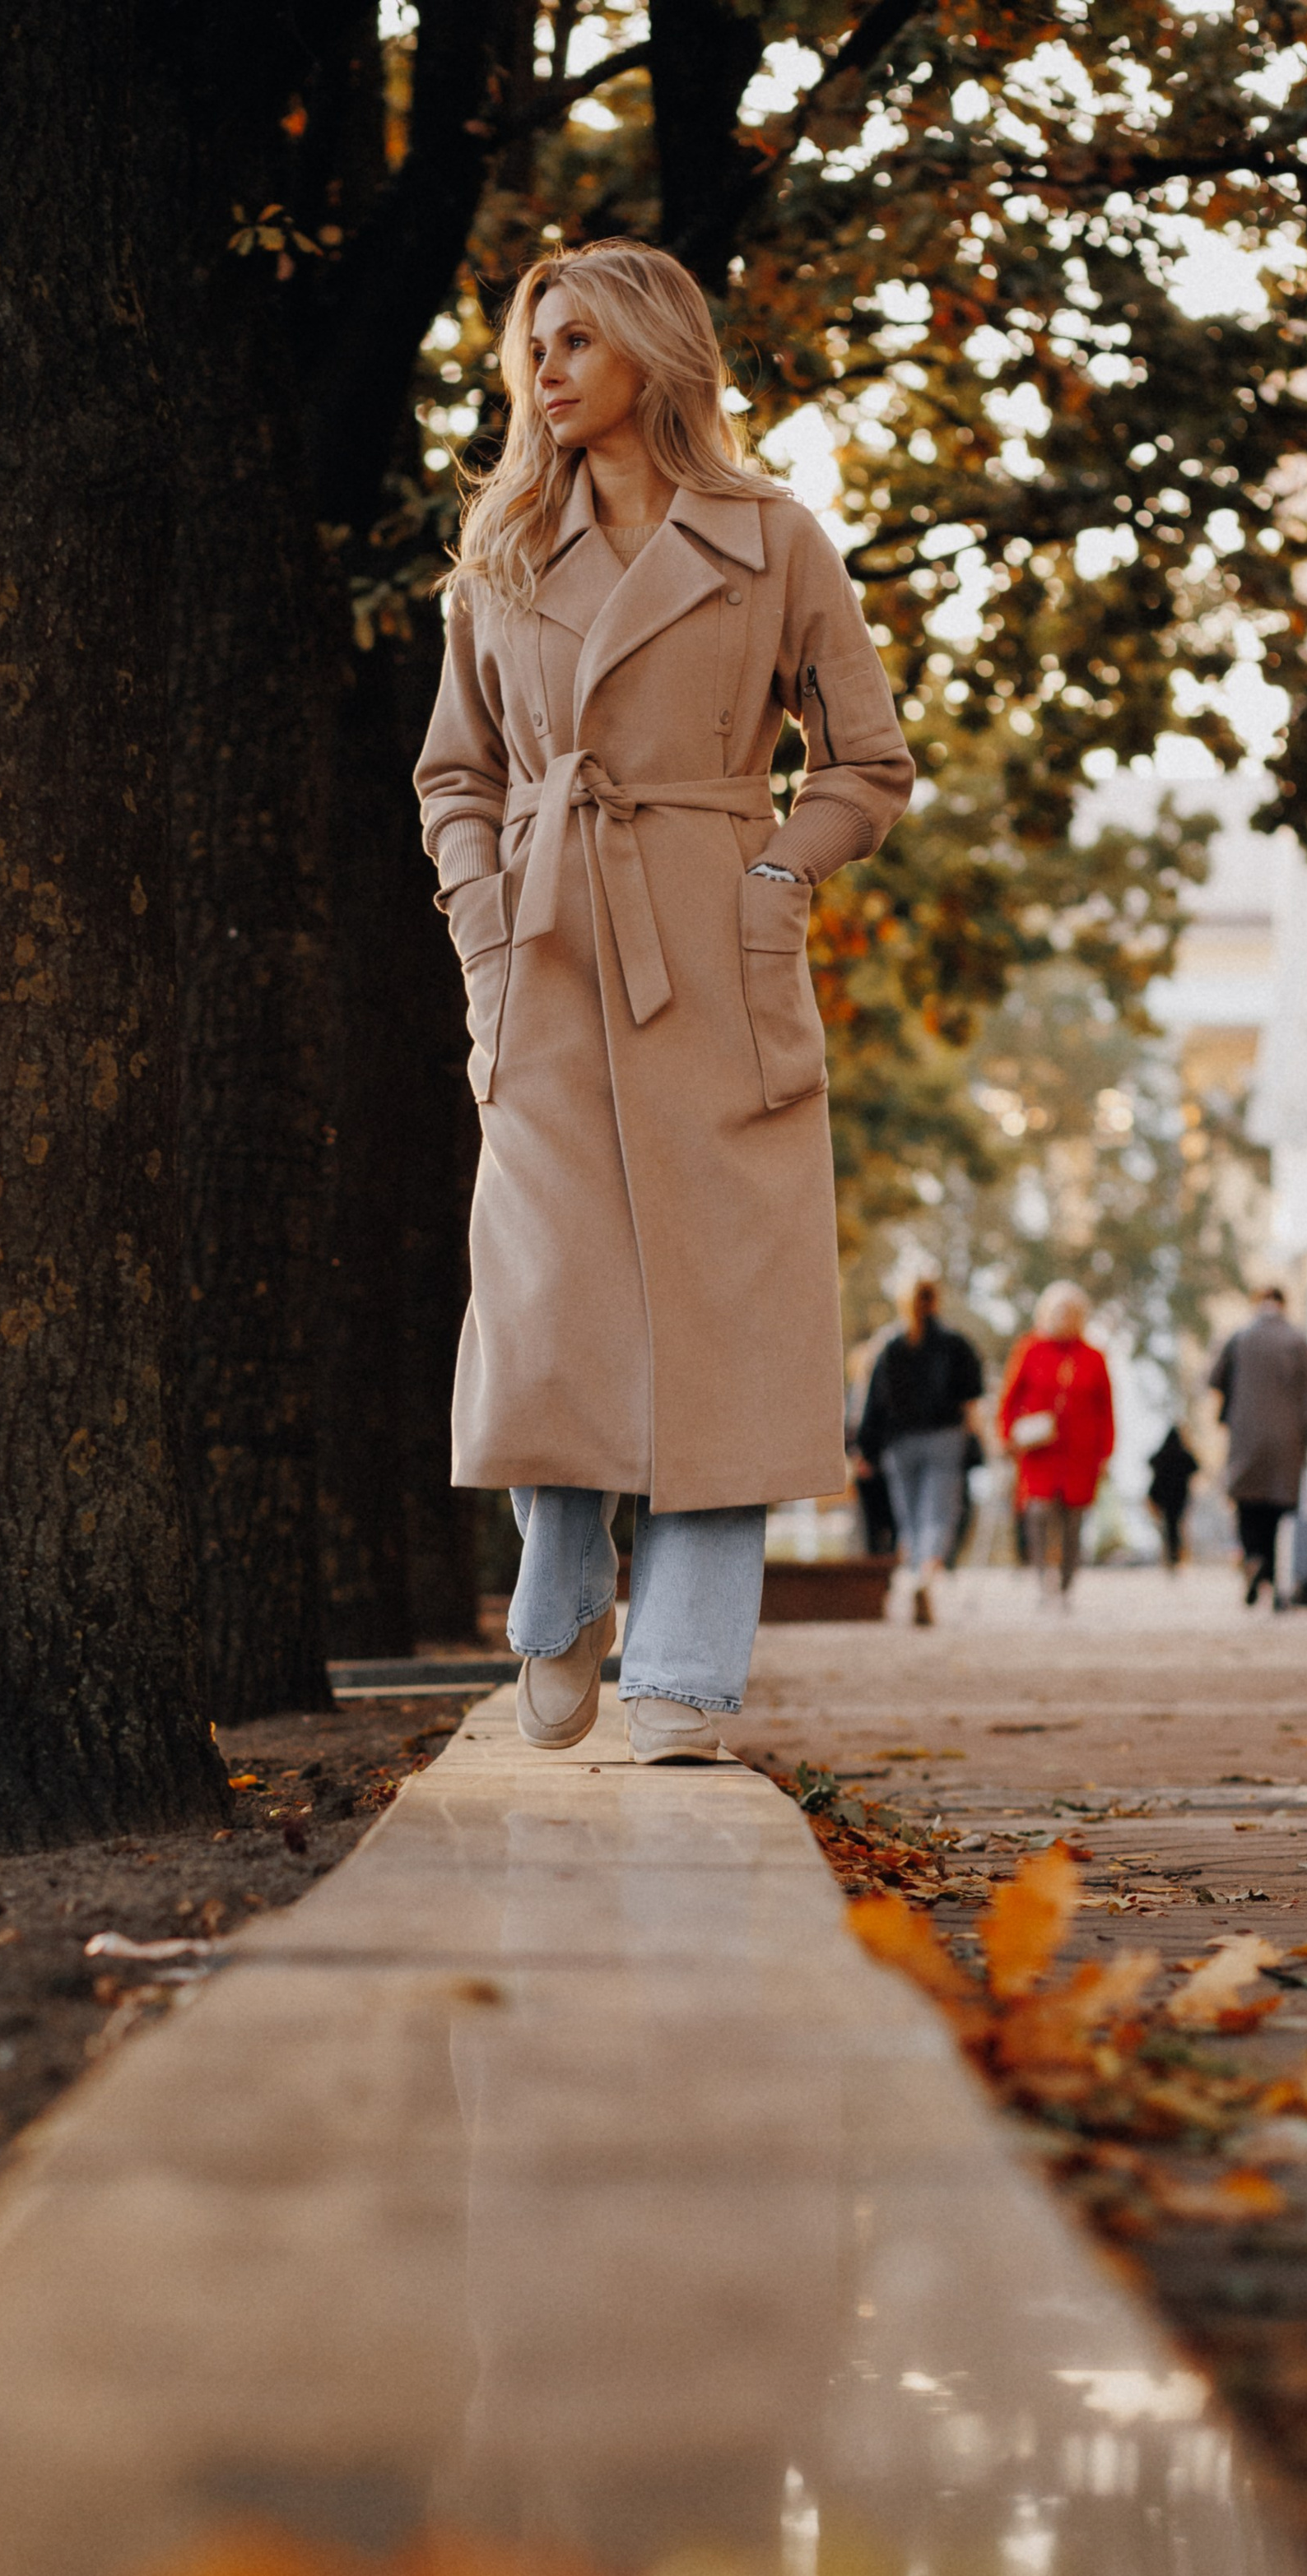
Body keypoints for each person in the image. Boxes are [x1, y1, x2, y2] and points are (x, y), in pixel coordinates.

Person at [415, 240, 913, 1760]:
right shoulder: (499, 550)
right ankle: (560, 1587)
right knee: (552, 1289)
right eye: (534, 346)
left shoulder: (775, 538)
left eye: (575, 339)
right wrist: (488, 938)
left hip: (713, 946)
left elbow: (867, 763)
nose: (546, 368)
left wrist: (773, 884)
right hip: (549, 951)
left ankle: (689, 1671)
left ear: (652, 348)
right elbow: (457, 777)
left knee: (729, 1300)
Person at [855, 1279, 984, 1627]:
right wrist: (977, 1442)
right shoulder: (956, 1343)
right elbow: (971, 1402)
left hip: (900, 1443)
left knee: (909, 1516)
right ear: (936, 1300)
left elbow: (873, 1404)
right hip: (945, 1438)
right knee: (939, 1513)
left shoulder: (890, 1346)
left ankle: (914, 1576)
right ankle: (926, 1577)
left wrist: (864, 1449)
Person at [1207, 1285, 1307, 1607]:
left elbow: (1213, 1378)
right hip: (1288, 1440)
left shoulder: (1239, 1337)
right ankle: (1276, 1579)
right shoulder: (1298, 1340)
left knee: (1248, 1504)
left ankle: (1252, 1558)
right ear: (1284, 1305)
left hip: (1246, 1437)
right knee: (1282, 1510)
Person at [998, 1283, 1115, 1598]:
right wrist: (1007, 1435)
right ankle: (1040, 1577)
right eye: (1058, 1311)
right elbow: (1010, 1398)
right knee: (1037, 1513)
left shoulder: (1093, 1357)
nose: (1064, 1318)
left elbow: (1106, 1409)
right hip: (1040, 1452)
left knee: (1073, 1521)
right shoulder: (1030, 1349)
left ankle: (1066, 1580)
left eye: (1071, 1312)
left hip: (1080, 1453)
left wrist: (1106, 1453)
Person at [1147, 1422, 1198, 1570]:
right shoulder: (1183, 1455)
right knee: (1175, 1525)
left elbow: (1151, 1462)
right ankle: (1174, 1555)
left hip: (1164, 1497)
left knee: (1170, 1526)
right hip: (1179, 1497)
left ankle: (1171, 1555)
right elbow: (1195, 1467)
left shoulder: (1162, 1454)